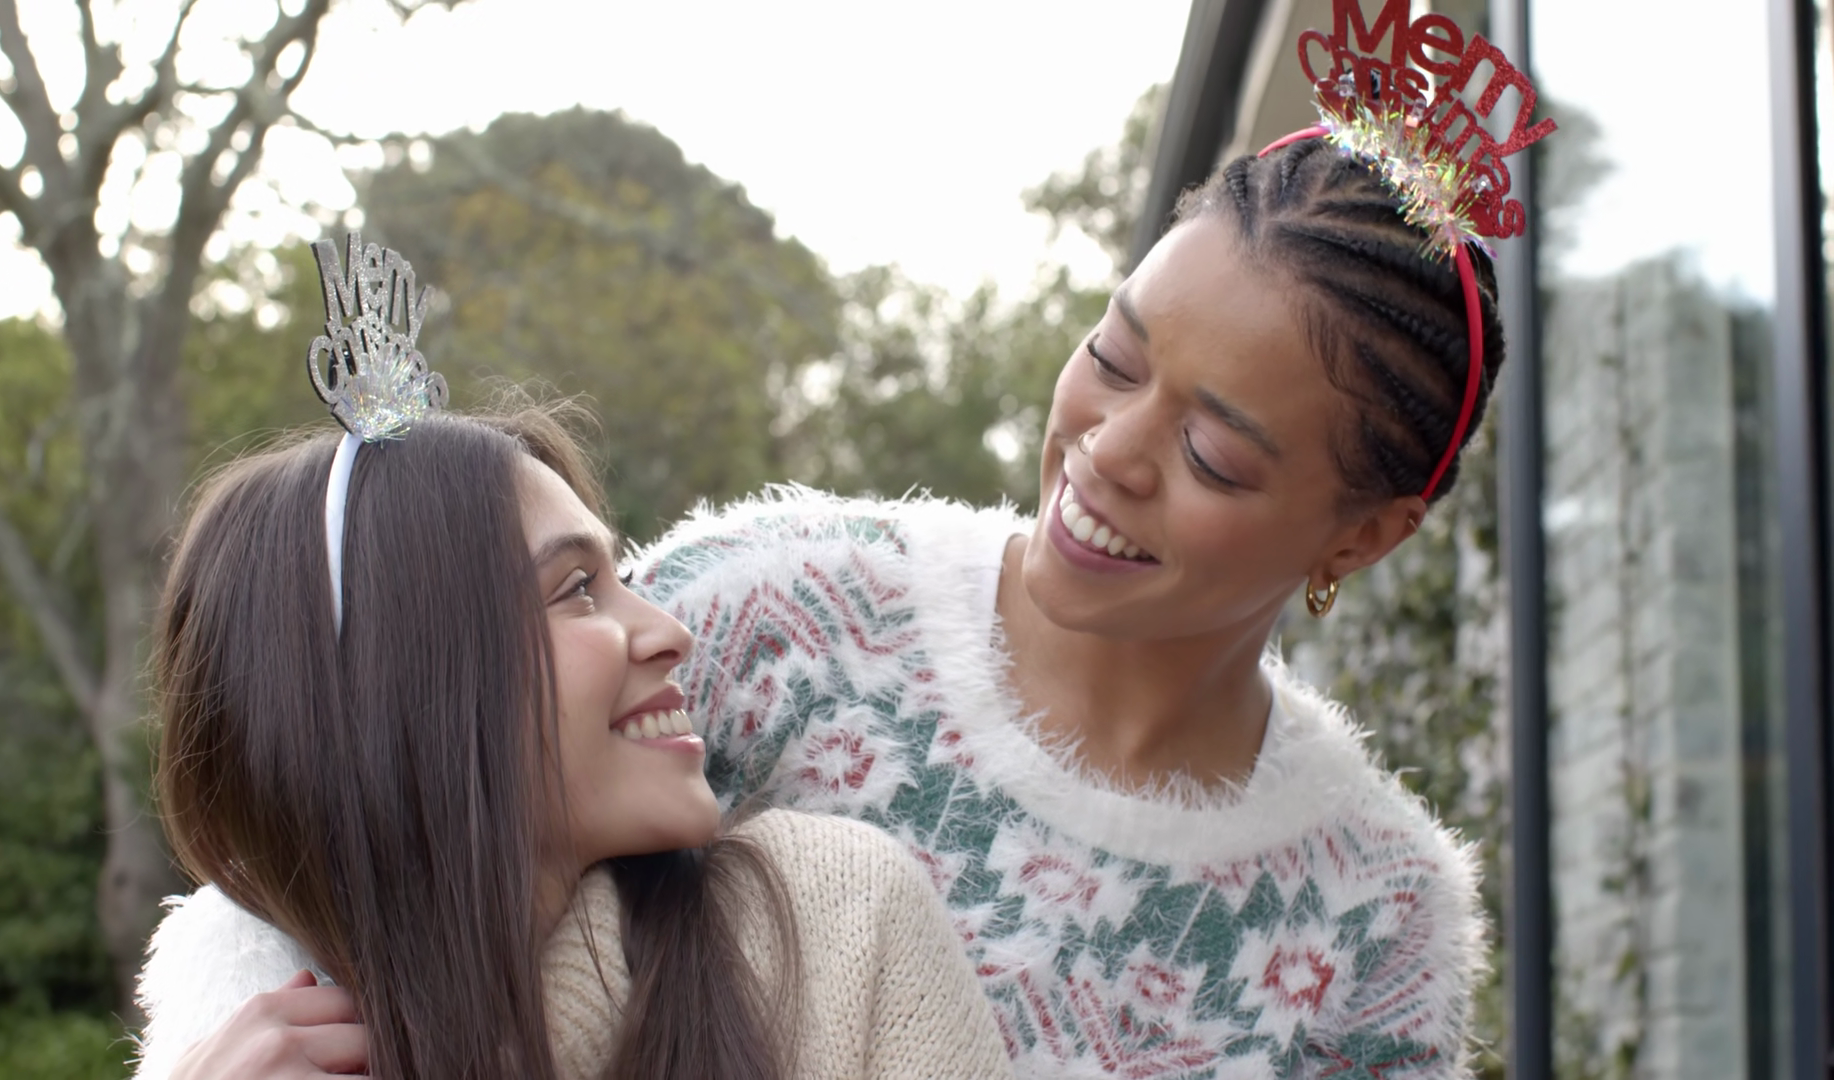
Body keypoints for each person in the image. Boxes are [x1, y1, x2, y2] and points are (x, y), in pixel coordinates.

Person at [149, 21, 1549, 1077]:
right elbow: (361, 810)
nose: (1109, 449)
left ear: (1366, 532)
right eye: (1113, 359)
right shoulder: (780, 612)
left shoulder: (1374, 917)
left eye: (1215, 457)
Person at [127, 233, 1011, 1080]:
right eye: (578, 589)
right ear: (409, 695)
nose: (669, 633)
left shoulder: (834, 924)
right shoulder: (245, 1041)